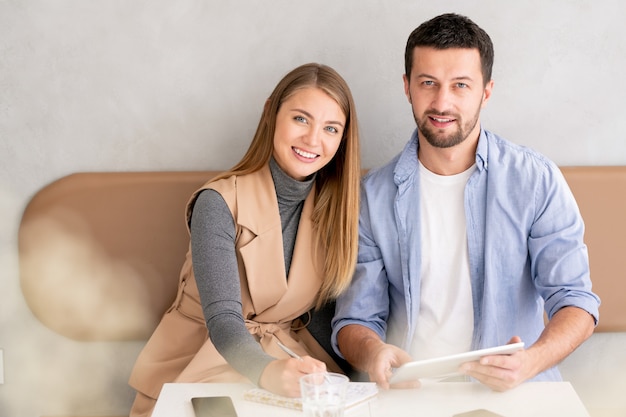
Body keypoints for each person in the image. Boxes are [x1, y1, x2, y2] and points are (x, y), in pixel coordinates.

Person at [331, 13, 600, 392]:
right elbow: (355, 320)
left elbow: (576, 301)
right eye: (429, 83)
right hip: (411, 395)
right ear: (407, 87)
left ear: (485, 92)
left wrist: (530, 362)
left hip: (518, 392)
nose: (442, 102)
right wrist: (373, 352)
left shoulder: (535, 180)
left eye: (460, 85)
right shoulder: (371, 197)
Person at [128, 62, 361, 416]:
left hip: (287, 357)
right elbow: (223, 320)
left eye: (331, 128)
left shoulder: (333, 211)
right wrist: (267, 372)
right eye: (301, 119)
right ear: (271, 112)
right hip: (200, 362)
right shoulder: (217, 202)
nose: (313, 140)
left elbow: (319, 319)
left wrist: (371, 367)